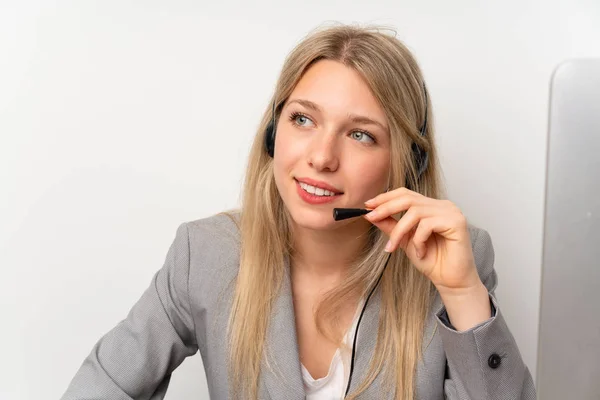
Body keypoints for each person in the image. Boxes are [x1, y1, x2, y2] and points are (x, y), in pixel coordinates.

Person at [61, 24, 537, 400]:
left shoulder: (458, 259)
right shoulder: (204, 254)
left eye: (360, 134)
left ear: (408, 163)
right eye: (303, 120)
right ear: (273, 134)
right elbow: (103, 384)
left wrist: (461, 292)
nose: (321, 157)